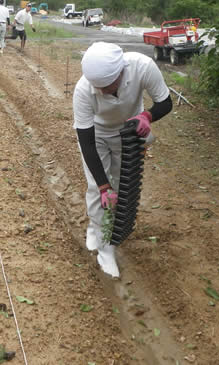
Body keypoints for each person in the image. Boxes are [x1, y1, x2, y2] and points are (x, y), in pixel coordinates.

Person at [72, 42, 172, 278]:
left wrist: (147, 116)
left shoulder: (143, 67)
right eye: (99, 88)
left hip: (129, 131)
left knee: (120, 186)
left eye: (108, 86)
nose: (104, 92)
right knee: (99, 189)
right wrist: (103, 186)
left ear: (121, 72)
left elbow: (165, 102)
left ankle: (98, 229)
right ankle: (104, 247)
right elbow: (86, 141)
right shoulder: (83, 90)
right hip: (97, 134)